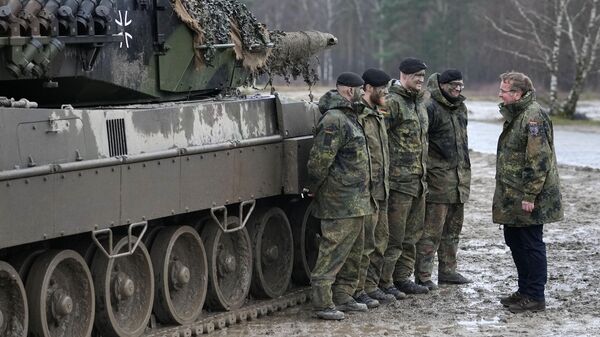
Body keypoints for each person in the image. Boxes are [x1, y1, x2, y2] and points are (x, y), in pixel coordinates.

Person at [494, 71, 564, 313]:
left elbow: (538, 160)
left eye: (503, 90)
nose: (500, 94)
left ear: (517, 93)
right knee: (514, 240)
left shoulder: (533, 117)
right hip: (513, 194)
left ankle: (535, 296)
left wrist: (529, 196)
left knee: (530, 243)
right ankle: (524, 291)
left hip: (528, 197)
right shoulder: (518, 115)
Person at [307, 72, 374, 320]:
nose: (365, 94)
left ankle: (344, 296)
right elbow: (319, 161)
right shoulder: (334, 120)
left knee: (354, 252)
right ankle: (322, 302)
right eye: (360, 90)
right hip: (339, 200)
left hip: (357, 200)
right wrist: (313, 186)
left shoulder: (351, 117)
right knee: (332, 251)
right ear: (348, 91)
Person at [415, 69, 472, 291]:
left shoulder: (461, 107)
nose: (457, 89)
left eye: (461, 86)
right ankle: (423, 275)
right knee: (431, 232)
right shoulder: (429, 107)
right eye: (453, 86)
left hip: (459, 181)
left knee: (453, 231)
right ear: (442, 85)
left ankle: (448, 271)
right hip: (437, 181)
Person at [380, 57, 430, 296]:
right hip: (398, 183)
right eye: (416, 76)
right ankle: (385, 281)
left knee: (412, 235)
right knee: (394, 237)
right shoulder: (393, 102)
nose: (420, 80)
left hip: (418, 182)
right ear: (403, 75)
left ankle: (402, 277)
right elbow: (378, 139)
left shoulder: (419, 103)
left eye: (422, 76)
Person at [348, 68, 397, 308]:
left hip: (381, 188)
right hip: (365, 191)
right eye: (382, 89)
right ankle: (357, 290)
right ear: (368, 89)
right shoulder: (358, 115)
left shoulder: (378, 114)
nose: (386, 93)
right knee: (364, 245)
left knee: (380, 241)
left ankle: (371, 286)